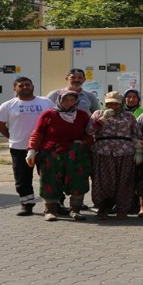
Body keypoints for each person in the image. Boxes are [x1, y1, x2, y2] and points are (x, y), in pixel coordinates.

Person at [26, 89, 91, 221]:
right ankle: (50, 211)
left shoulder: (83, 115)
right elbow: (38, 134)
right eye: (65, 100)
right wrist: (31, 150)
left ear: (76, 101)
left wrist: (84, 144)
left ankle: (75, 210)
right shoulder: (48, 115)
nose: (69, 103)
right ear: (59, 100)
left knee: (78, 180)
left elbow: (89, 134)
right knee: (50, 180)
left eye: (72, 100)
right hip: (52, 154)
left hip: (76, 155)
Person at [0, 77, 53, 216]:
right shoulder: (8, 105)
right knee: (22, 178)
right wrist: (12, 137)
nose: (25, 87)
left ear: (33, 86)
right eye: (21, 85)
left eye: (28, 84)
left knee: (50, 177)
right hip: (19, 148)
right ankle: (27, 205)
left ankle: (53, 205)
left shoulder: (46, 102)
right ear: (15, 88)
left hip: (44, 147)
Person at [87, 91, 142, 219]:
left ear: (121, 103)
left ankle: (122, 209)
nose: (113, 106)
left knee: (125, 181)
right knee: (103, 181)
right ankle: (103, 208)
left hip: (125, 152)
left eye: (116, 104)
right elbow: (89, 130)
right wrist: (102, 120)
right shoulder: (98, 114)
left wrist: (138, 150)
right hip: (103, 151)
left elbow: (136, 134)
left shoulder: (128, 116)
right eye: (109, 103)